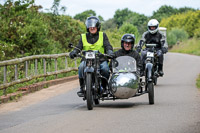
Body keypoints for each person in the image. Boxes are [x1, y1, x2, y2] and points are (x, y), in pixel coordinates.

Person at [69, 16, 113, 95]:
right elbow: (79, 47)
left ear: (98, 26)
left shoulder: (103, 35)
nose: (92, 28)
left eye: (94, 26)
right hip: (87, 60)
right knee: (81, 67)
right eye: (90, 26)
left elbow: (107, 45)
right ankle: (82, 88)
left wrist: (109, 51)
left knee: (105, 69)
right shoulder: (83, 37)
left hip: (101, 60)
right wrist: (74, 52)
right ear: (87, 27)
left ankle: (104, 87)